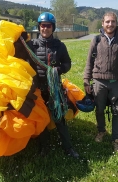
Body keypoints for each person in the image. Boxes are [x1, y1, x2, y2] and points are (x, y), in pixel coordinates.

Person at [83, 11, 118, 152]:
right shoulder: (96, 40)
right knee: (100, 110)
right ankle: (101, 131)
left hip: (117, 82)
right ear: (102, 23)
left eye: (112, 22)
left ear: (116, 23)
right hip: (99, 82)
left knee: (117, 112)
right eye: (107, 22)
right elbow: (89, 62)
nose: (110, 24)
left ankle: (116, 139)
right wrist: (86, 80)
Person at [27, 12, 79, 158]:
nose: (45, 29)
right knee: (42, 119)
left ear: (53, 28)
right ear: (39, 27)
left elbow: (67, 63)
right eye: (43, 26)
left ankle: (68, 148)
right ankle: (44, 147)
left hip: (54, 88)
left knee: (59, 118)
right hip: (38, 89)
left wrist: (59, 70)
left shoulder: (59, 46)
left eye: (48, 26)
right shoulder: (32, 46)